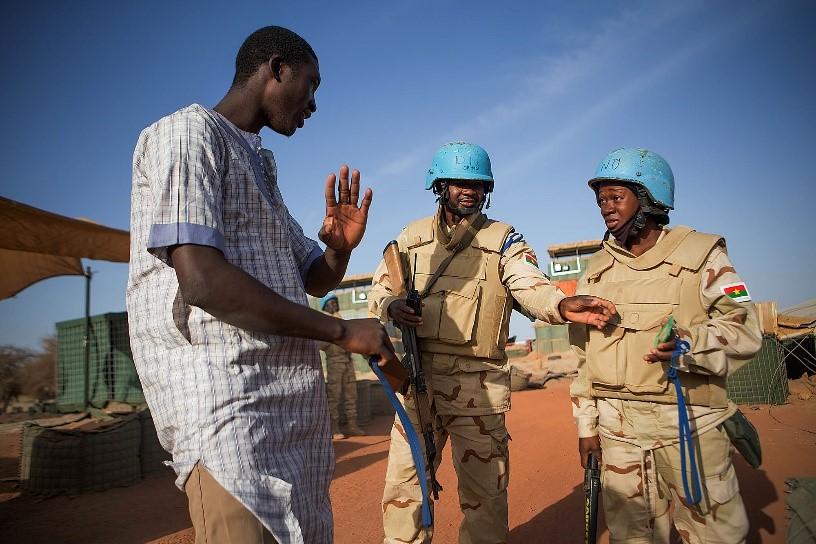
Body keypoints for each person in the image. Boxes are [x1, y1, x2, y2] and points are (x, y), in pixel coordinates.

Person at [127, 26, 397, 544]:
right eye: (311, 84)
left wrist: (339, 249)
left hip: (288, 412)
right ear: (276, 68)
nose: (314, 103)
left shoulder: (259, 164)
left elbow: (314, 277)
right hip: (228, 410)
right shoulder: (188, 134)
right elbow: (201, 280)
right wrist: (342, 332)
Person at [368, 142, 616, 544]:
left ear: (488, 189)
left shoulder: (503, 241)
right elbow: (379, 291)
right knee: (404, 490)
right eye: (460, 183)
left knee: (485, 499)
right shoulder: (410, 238)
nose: (470, 191)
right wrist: (392, 306)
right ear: (440, 185)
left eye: (478, 184)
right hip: (418, 384)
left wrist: (560, 304)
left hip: (477, 389)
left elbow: (529, 285)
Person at [569, 148, 762, 543]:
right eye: (601, 200)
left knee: (715, 535)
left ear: (649, 197)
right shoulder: (595, 271)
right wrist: (587, 425)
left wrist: (690, 343)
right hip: (619, 430)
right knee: (630, 535)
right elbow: (583, 357)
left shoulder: (704, 256)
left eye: (616, 197)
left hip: (690, 423)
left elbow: (746, 328)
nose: (606, 208)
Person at [319, 292, 366, 439]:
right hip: (335, 363)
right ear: (325, 307)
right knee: (334, 397)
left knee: (351, 395)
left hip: (348, 361)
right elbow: (320, 344)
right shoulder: (324, 323)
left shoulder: (341, 320)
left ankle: (352, 425)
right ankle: (334, 429)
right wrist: (332, 336)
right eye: (331, 303)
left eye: (335, 302)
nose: (334, 305)